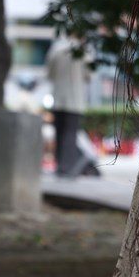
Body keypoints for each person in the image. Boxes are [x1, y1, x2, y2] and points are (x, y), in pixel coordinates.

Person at [45, 36, 100, 176]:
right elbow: (90, 75)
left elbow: (49, 74)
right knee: (70, 134)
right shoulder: (84, 52)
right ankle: (67, 167)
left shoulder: (55, 49)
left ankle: (60, 166)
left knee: (59, 133)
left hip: (58, 98)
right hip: (75, 100)